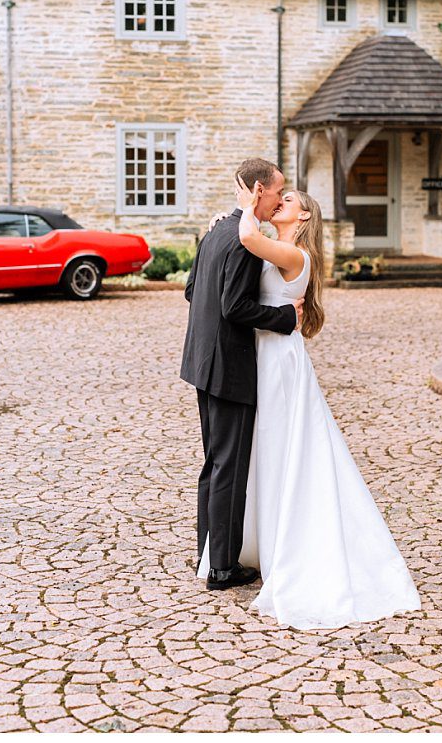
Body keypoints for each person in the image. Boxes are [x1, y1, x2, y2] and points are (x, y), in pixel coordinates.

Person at [194, 177, 422, 629]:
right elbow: (235, 250)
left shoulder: (296, 254)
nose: (280, 201)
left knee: (284, 451)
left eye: (289, 199)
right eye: (279, 195)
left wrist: (242, 207)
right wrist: (220, 221)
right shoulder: (268, 244)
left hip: (278, 363)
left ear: (303, 217)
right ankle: (252, 544)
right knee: (259, 454)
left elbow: (244, 237)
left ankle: (291, 548)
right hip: (258, 357)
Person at [180, 157, 302, 591]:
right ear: (258, 191)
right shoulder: (248, 242)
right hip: (229, 366)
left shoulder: (217, 230)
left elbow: (192, 290)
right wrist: (285, 315)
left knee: (213, 462)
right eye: (276, 191)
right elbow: (236, 308)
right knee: (229, 465)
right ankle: (223, 568)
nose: (277, 200)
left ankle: (207, 553)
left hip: (200, 361)